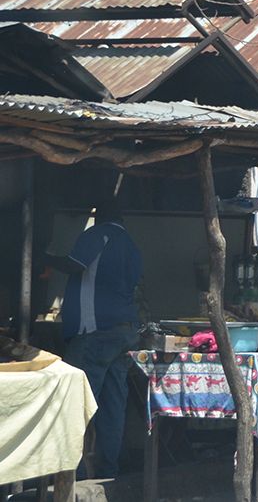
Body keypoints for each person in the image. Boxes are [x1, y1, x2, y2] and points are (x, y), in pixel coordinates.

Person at [44, 198, 142, 478]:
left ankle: (70, 476)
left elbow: (75, 265)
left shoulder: (97, 235)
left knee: (76, 405)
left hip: (95, 333)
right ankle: (107, 473)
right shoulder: (132, 246)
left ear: (99, 217)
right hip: (125, 334)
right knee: (113, 406)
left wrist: (45, 257)